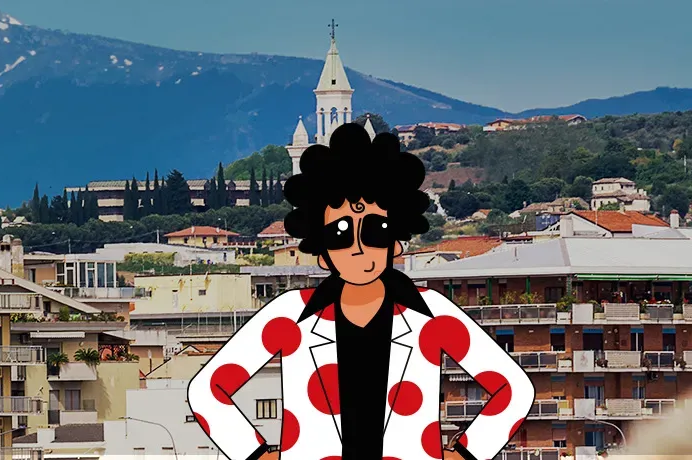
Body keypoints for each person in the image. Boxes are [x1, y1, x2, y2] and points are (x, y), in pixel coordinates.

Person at [185, 123, 532, 460]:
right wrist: (256, 453)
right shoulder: (290, 315)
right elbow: (207, 391)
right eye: (339, 234)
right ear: (321, 251)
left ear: (396, 243)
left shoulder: (432, 314)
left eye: (375, 231)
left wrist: (467, 453)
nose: (358, 247)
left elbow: (514, 389)